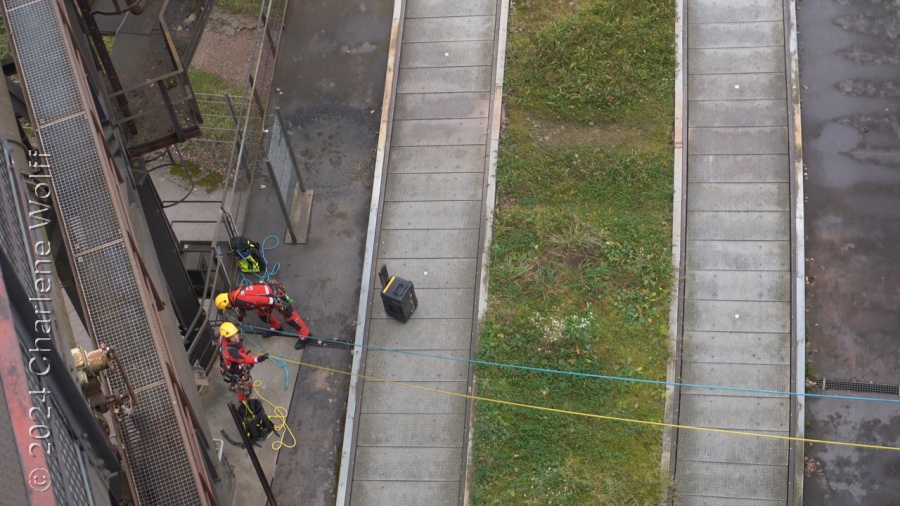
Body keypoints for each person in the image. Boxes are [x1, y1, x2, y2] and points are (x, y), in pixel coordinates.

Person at [215, 280, 310, 349]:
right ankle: (277, 328)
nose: (229, 308)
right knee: (263, 315)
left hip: (274, 296)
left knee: (290, 318)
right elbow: (242, 309)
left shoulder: (240, 300)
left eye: (227, 307)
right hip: (269, 293)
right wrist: (239, 321)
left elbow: (259, 300)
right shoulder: (235, 295)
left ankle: (305, 335)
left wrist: (275, 301)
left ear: (227, 303)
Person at [218, 322, 268, 402]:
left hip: (228, 366)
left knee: (237, 381)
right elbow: (246, 359)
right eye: (232, 336)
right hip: (236, 370)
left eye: (236, 334)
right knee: (247, 385)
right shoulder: (232, 353)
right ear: (228, 338)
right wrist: (259, 359)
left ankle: (234, 386)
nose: (236, 337)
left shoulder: (222, 338)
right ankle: (243, 400)